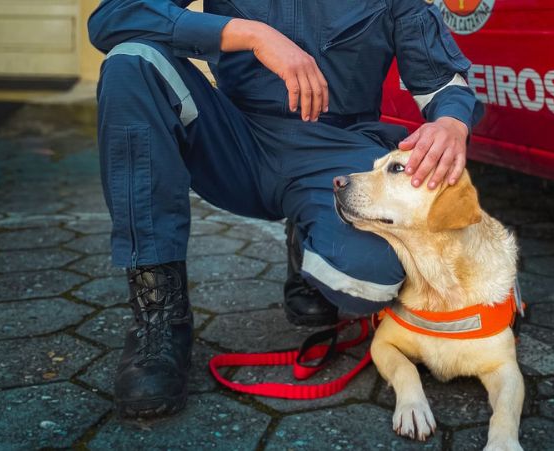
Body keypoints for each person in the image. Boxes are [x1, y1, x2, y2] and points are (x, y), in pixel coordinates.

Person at [87, 0, 483, 418]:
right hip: (236, 142)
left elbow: (440, 82)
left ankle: (310, 237)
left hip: (336, 156)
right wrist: (254, 34)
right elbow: (113, 17)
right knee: (131, 60)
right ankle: (160, 317)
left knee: (371, 280)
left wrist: (451, 123)